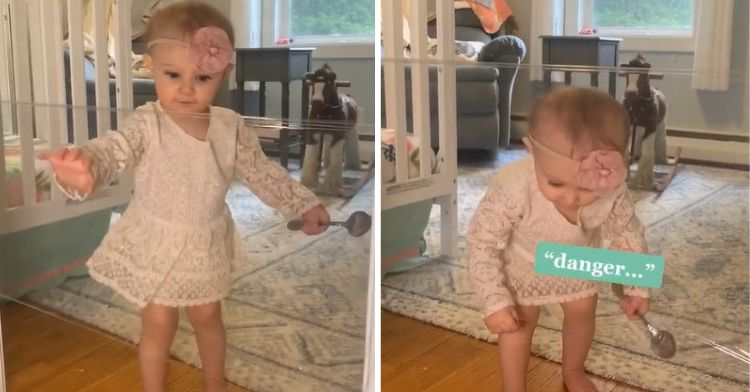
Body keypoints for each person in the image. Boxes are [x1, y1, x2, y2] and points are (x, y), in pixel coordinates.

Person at [41, 2, 329, 391]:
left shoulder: (231, 127)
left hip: (203, 240)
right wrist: (86, 163)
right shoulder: (147, 124)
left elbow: (264, 174)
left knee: (208, 315)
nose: (186, 88)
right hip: (156, 238)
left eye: (203, 77)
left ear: (224, 73)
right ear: (150, 65)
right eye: (173, 74)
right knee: (158, 321)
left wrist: (303, 203)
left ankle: (215, 382)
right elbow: (113, 148)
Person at [466, 87, 651, 392]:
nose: (571, 197)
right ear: (532, 151)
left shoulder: (613, 190)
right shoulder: (514, 185)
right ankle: (513, 387)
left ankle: (574, 371)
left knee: (582, 312)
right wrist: (493, 300)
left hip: (578, 260)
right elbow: (481, 241)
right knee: (518, 324)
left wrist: (637, 286)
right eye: (555, 182)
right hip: (523, 265)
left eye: (587, 188)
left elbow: (627, 232)